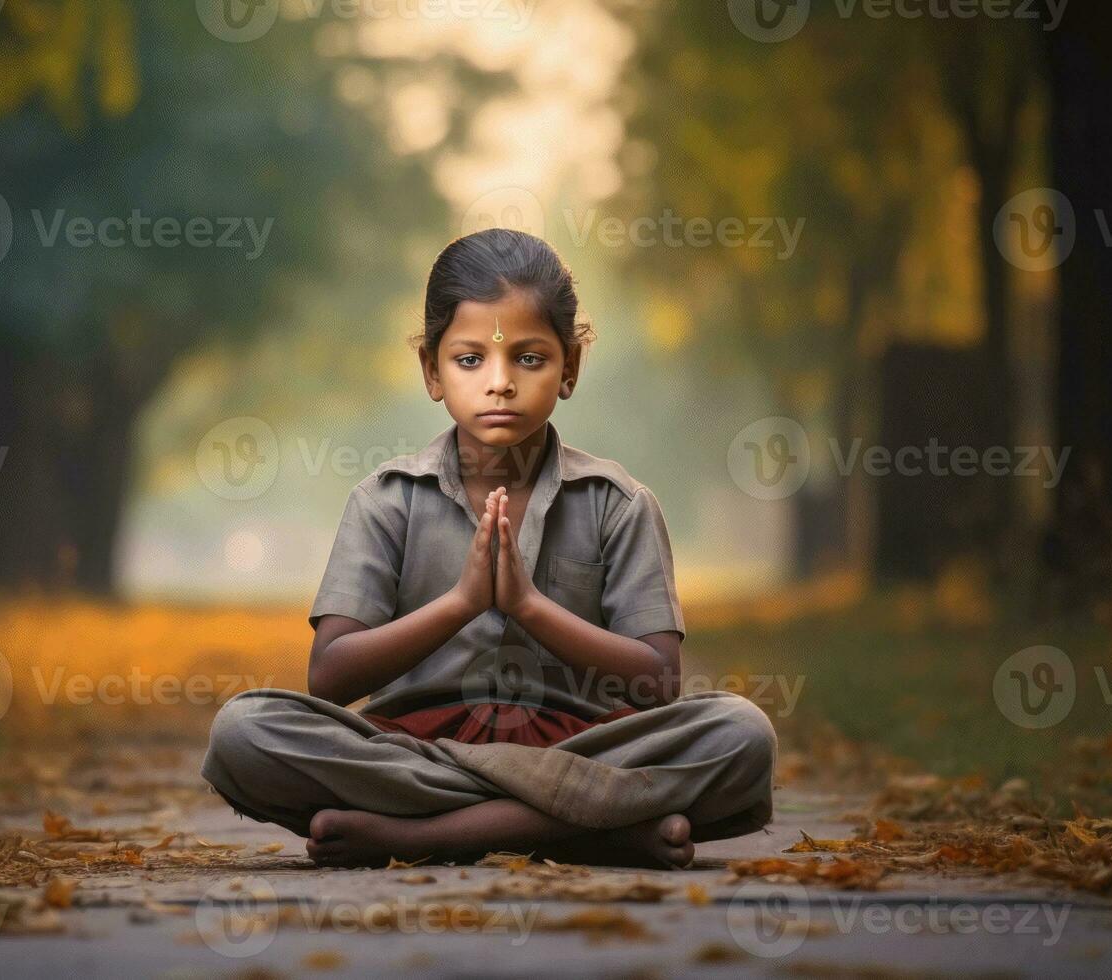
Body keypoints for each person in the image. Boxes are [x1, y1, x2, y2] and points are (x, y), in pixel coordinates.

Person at [201, 228, 777, 869]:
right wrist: (461, 603)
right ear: (431, 371)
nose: (499, 383)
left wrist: (529, 608)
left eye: (528, 358)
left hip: (581, 747)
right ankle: (594, 828)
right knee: (244, 731)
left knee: (740, 733)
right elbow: (330, 677)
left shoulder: (619, 503)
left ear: (570, 368)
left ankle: (431, 837)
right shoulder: (387, 500)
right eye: (470, 359)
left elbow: (658, 685)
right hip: (416, 753)